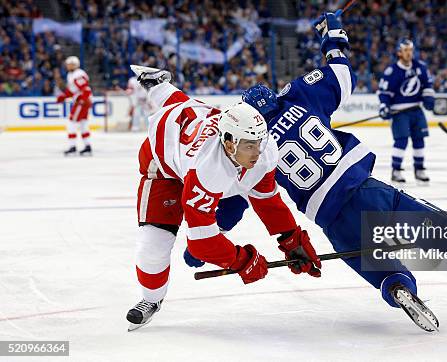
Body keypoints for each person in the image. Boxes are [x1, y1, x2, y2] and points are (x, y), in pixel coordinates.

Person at [208, 13, 447, 332]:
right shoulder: (299, 96)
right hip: (364, 190)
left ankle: (399, 289)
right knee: (446, 232)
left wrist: (215, 239)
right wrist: (333, 35)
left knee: (379, 268)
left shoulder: (251, 145)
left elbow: (235, 204)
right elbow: (343, 75)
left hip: (329, 218)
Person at [125, 65, 321, 331]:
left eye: (259, 142)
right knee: (153, 246)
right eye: (249, 145)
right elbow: (199, 242)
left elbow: (266, 198)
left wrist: (291, 238)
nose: (257, 152)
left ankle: (158, 84)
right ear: (229, 143)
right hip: (162, 165)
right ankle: (150, 300)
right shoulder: (207, 168)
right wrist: (242, 261)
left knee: (178, 103)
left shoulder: (263, 149)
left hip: (191, 115)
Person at [377, 38, 435, 184]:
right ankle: (396, 170)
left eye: (410, 50)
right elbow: (384, 93)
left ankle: (419, 169)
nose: (409, 53)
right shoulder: (392, 72)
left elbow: (427, 84)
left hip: (416, 109)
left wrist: (428, 97)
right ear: (399, 53)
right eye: (405, 50)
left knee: (419, 140)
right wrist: (384, 106)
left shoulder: (420, 67)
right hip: (399, 112)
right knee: (401, 140)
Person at [56, 56, 93, 156]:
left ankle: (72, 147)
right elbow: (73, 90)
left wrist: (82, 100)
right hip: (83, 101)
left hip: (82, 102)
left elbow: (85, 89)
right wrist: (64, 96)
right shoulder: (71, 74)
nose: (67, 66)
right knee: (83, 124)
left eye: (69, 64)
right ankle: (87, 146)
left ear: (74, 64)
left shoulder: (78, 74)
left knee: (71, 122)